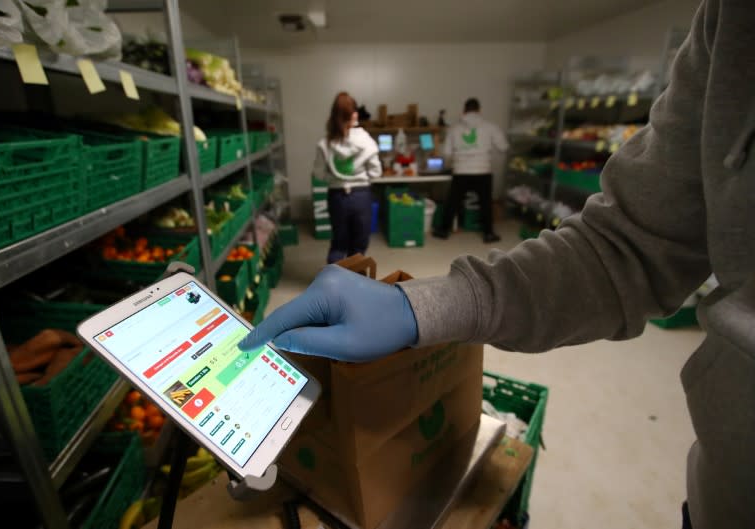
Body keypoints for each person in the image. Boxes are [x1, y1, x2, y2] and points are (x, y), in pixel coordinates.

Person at [241, 2, 753, 528]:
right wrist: (424, 305)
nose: (352, 119)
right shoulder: (729, 21)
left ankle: (446, 228)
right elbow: (625, 246)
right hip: (719, 500)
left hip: (371, 190)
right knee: (469, 212)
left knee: (429, 217)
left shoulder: (364, 138)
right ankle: (460, 229)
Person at [313, 92, 382, 264]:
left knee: (338, 244)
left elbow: (318, 174)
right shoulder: (366, 141)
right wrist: (359, 175)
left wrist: (336, 177)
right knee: (358, 246)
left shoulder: (325, 143)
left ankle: (334, 286)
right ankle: (354, 285)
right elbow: (375, 172)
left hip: (336, 197)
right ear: (354, 114)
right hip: (361, 196)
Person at [434, 98, 508, 243]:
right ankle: (488, 234)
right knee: (485, 203)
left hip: (461, 171)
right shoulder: (490, 127)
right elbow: (503, 147)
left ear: (464, 111)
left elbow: (446, 153)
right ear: (479, 110)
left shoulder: (454, 129)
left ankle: (443, 231)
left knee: (452, 202)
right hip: (483, 171)